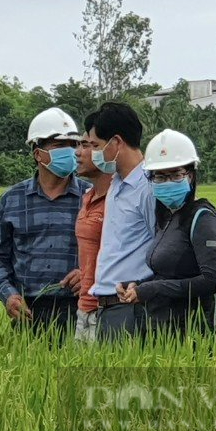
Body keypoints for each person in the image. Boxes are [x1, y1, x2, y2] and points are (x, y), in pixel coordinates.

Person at [0, 107, 89, 343]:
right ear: (38, 153)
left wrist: (88, 274)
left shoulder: (91, 197)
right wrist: (8, 296)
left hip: (79, 309)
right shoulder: (11, 199)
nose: (70, 151)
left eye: (73, 145)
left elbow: (109, 251)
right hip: (29, 312)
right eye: (58, 145)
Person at [116, 130, 216, 336]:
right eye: (160, 177)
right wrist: (138, 286)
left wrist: (153, 289)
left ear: (191, 175)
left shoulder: (203, 219)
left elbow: (214, 281)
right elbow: (168, 274)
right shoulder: (167, 219)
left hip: (191, 333)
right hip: (159, 328)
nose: (167, 182)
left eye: (176, 175)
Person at [87, 102, 156, 340]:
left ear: (116, 143)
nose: (93, 153)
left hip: (131, 307)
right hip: (108, 305)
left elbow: (164, 247)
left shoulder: (148, 187)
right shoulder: (116, 183)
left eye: (95, 145)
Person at [73, 113, 113, 343]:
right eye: (78, 145)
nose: (77, 152)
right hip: (84, 307)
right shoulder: (87, 197)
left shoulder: (118, 200)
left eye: (87, 145)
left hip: (104, 308)